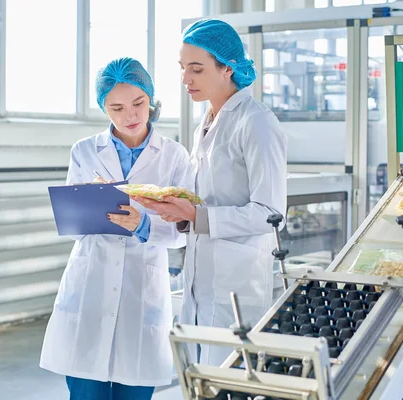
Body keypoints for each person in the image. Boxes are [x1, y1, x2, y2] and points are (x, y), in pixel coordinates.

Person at [133, 19, 287, 366]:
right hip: (202, 281)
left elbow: (270, 212)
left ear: (227, 69)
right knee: (203, 379)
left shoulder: (256, 122)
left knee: (232, 380)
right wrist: (178, 211)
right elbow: (206, 200)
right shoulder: (208, 121)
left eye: (197, 69)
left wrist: (196, 216)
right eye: (183, 68)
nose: (186, 79)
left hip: (238, 284)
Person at [39, 57, 194, 399]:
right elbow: (74, 226)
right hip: (90, 285)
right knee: (85, 392)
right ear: (103, 108)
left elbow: (181, 232)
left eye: (138, 103)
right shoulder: (84, 151)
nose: (131, 116)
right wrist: (95, 200)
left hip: (142, 289)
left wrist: (142, 224)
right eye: (117, 108)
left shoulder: (174, 156)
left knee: (135, 390)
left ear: (150, 99)